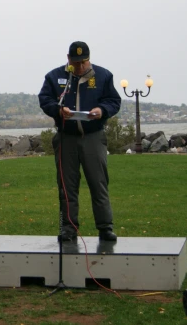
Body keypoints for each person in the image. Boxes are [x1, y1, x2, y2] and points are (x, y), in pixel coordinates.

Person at [38, 41, 122, 243]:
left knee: (98, 183)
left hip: (93, 137)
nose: (79, 67)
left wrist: (101, 110)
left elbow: (114, 101)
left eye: (83, 62)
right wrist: (59, 110)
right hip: (66, 138)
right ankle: (68, 228)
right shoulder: (55, 76)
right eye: (75, 63)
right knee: (67, 186)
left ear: (89, 59)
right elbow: (45, 99)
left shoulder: (103, 76)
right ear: (68, 59)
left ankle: (105, 228)